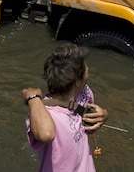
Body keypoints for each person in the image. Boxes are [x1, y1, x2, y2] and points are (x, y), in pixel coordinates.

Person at [22, 43, 108, 172]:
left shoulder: (83, 94)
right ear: (77, 81)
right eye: (85, 66)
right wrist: (33, 99)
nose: (88, 69)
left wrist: (103, 116)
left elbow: (91, 121)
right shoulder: (41, 112)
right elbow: (46, 134)